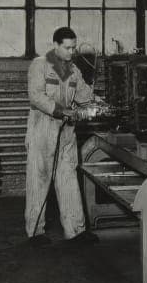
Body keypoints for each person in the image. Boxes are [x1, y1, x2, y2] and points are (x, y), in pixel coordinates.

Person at [24, 26, 99, 247]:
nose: (71, 52)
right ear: (55, 45)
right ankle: (35, 232)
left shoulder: (73, 70)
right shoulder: (40, 65)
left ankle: (76, 231)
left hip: (66, 132)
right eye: (67, 48)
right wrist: (60, 110)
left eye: (74, 48)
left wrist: (101, 105)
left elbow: (85, 96)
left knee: (68, 179)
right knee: (39, 180)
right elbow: (36, 96)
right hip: (43, 129)